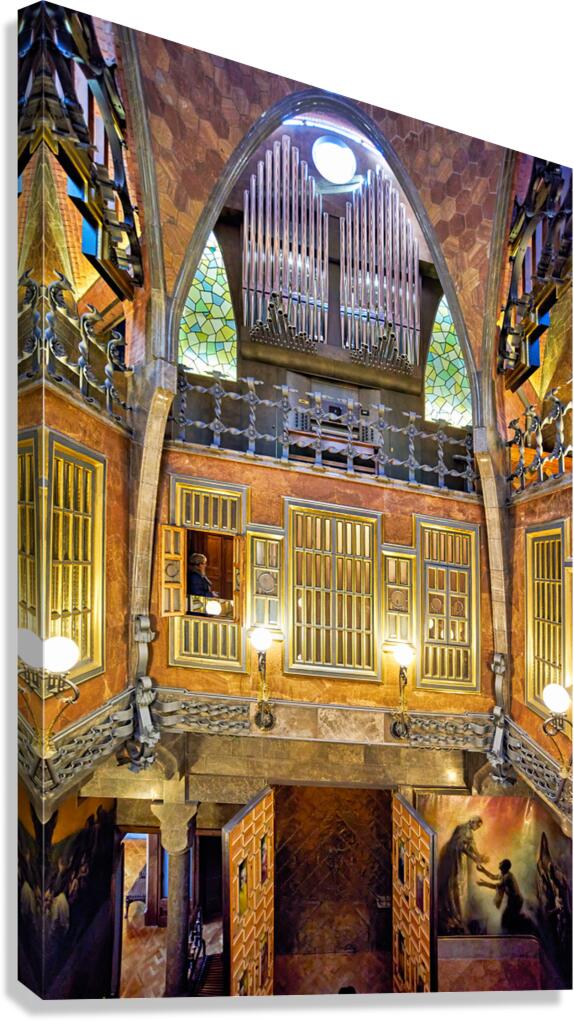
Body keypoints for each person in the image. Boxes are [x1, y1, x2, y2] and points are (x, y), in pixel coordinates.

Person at [437, 816, 489, 934]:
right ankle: (456, 914)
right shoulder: (463, 829)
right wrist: (475, 857)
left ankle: (460, 914)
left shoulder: (468, 831)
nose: (476, 829)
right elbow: (462, 847)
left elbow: (472, 845)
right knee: (457, 884)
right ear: (473, 822)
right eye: (477, 826)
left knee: (461, 885)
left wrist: (479, 856)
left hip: (460, 860)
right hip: (455, 860)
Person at [476, 859, 534, 934]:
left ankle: (512, 935)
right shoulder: (503, 874)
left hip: (516, 902)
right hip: (513, 901)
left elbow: (496, 886)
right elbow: (493, 877)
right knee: (507, 920)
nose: (499, 863)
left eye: (501, 863)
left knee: (506, 920)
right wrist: (483, 870)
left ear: (504, 867)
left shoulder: (507, 877)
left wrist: (483, 884)